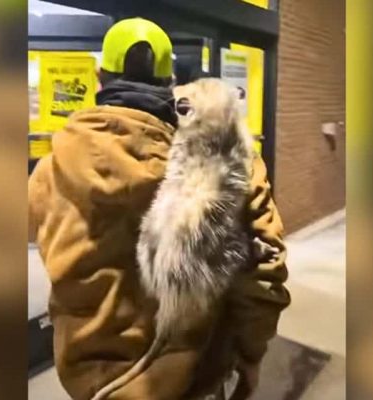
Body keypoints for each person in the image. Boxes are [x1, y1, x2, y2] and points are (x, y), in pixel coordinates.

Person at [28, 17, 290, 400]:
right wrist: (250, 355)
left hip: (95, 382)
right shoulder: (229, 160)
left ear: (100, 78)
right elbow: (266, 271)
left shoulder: (52, 168)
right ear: (170, 83)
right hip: (191, 377)